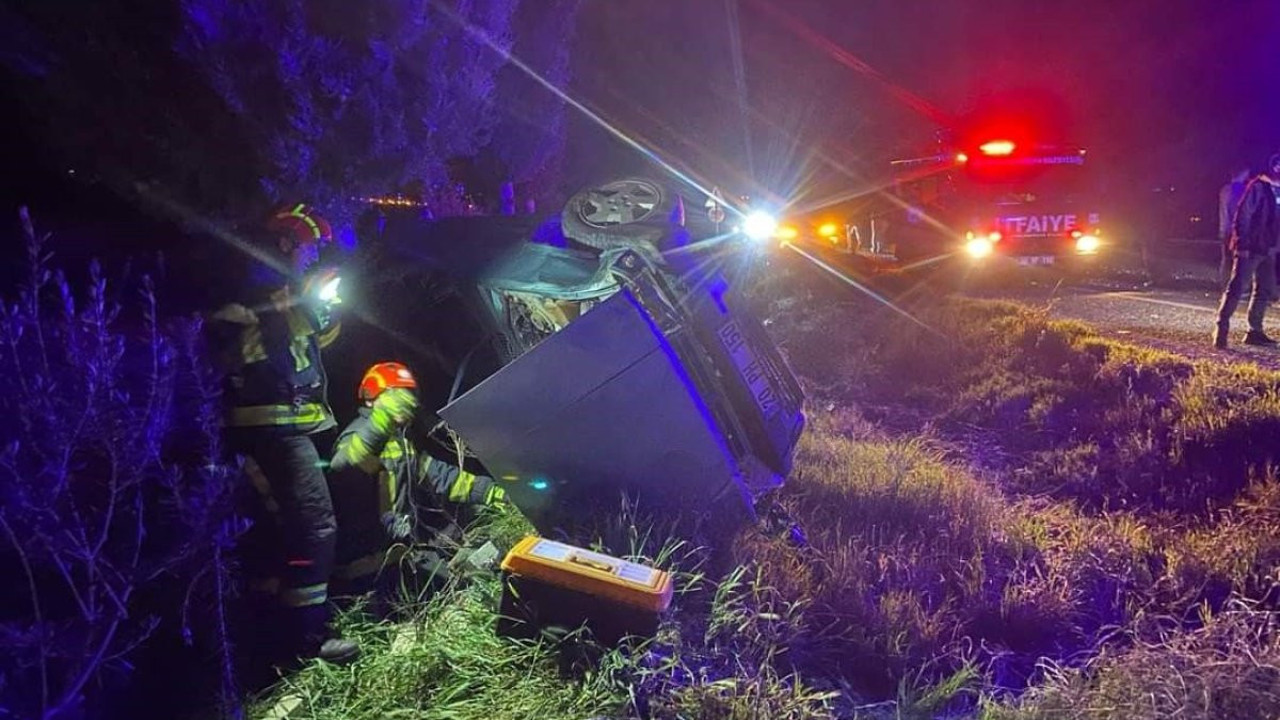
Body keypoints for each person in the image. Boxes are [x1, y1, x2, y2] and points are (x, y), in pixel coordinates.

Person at [207, 203, 357, 664]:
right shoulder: (252, 283)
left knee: (282, 534)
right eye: (309, 247)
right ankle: (307, 638)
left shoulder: (285, 291)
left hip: (290, 426)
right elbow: (232, 329)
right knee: (314, 526)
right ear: (286, 242)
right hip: (267, 429)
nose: (313, 258)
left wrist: (319, 311)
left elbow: (310, 340)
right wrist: (299, 302)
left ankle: (272, 637)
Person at [326, 362, 506, 597]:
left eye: (407, 395)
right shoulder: (358, 435)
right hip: (367, 570)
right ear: (371, 398)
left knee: (464, 588)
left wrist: (491, 492)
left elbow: (439, 477)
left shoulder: (402, 442)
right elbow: (345, 469)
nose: (405, 401)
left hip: (400, 556)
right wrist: (382, 421)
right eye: (395, 395)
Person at [1214, 156, 1280, 349]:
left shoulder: (1276, 189)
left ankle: (1254, 331)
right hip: (1251, 247)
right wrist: (1241, 244)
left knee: (1264, 289)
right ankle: (1222, 329)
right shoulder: (1258, 187)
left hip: (1269, 248)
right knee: (1237, 288)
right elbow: (1243, 215)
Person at [1219, 165, 1252, 287]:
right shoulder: (1241, 190)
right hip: (1235, 231)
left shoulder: (1224, 190)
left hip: (1224, 229)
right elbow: (1239, 211)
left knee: (1226, 259)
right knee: (1238, 260)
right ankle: (1236, 287)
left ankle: (1225, 285)